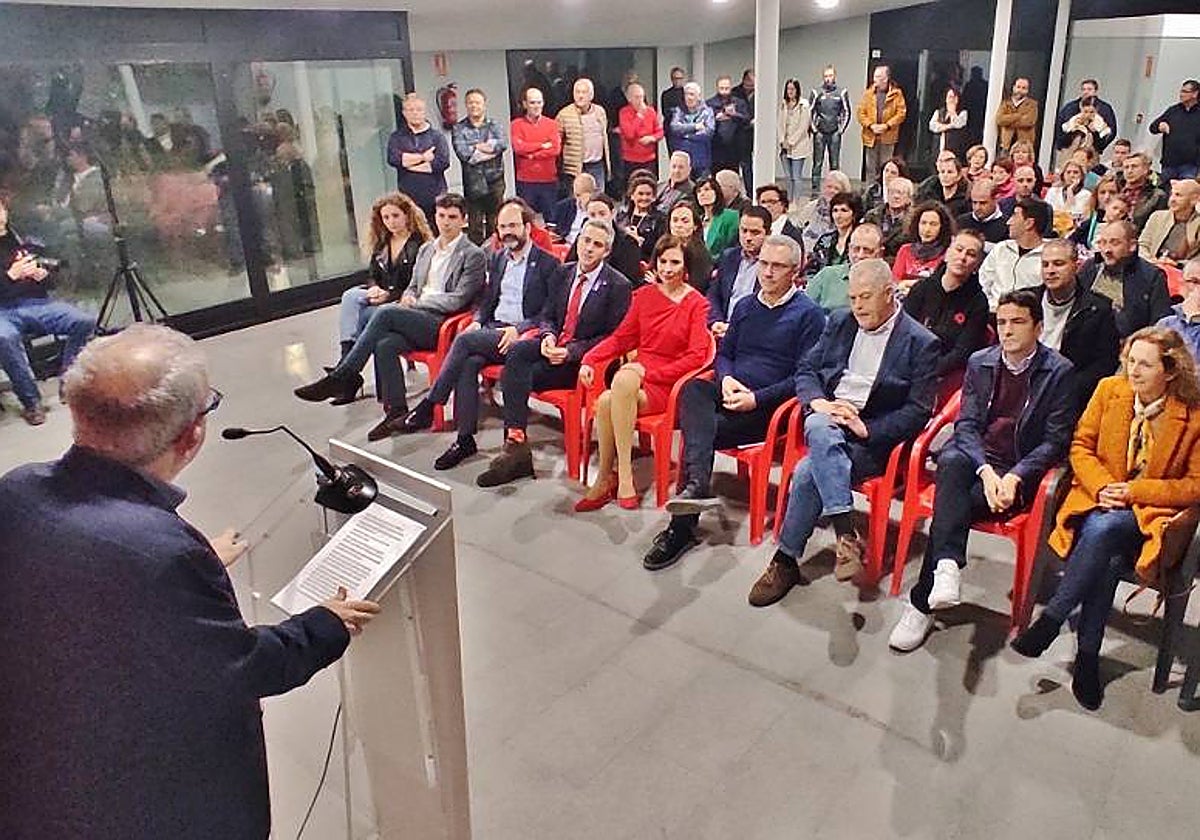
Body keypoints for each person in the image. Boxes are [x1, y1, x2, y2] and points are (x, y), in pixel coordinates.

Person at [0, 324, 380, 838]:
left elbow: (69, 586)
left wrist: (185, 567)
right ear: (191, 435)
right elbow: (242, 668)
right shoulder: (162, 553)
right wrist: (326, 623)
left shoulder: (16, 489)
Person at [1011, 327, 1200, 710]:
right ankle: (1086, 659)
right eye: (1130, 360)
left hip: (1151, 517)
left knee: (1106, 527)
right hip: (1097, 501)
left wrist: (1134, 492)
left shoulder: (1192, 415)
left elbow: (1194, 485)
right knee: (1108, 556)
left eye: (1145, 364)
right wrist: (1102, 488)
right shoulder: (1108, 390)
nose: (1134, 370)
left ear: (1170, 371)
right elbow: (1080, 446)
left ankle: (1053, 618)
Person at [889, 290, 1076, 651]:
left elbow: (1055, 441)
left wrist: (1014, 475)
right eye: (1002, 322)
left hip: (1018, 472)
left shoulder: (1059, 371)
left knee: (950, 504)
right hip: (978, 463)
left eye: (1018, 322)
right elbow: (967, 426)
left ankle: (923, 598)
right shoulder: (981, 361)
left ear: (1038, 327)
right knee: (952, 460)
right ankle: (946, 569)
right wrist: (986, 472)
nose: (1007, 330)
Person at [749, 259, 940, 601]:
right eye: (852, 298)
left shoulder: (920, 342)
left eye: (865, 297)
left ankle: (787, 559)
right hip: (829, 417)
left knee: (807, 470)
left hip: (871, 439)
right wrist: (818, 402)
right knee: (817, 423)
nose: (858, 306)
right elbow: (806, 369)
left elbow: (918, 411)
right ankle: (844, 531)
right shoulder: (840, 321)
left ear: (889, 293)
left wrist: (865, 428)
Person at [642, 235, 827, 570]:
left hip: (768, 409)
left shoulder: (809, 315)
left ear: (795, 271)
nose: (767, 272)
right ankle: (697, 488)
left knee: (700, 432)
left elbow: (803, 378)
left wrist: (756, 399)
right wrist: (726, 378)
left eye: (777, 266)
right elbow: (724, 354)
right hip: (731, 390)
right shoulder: (745, 306)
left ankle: (681, 527)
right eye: (763, 264)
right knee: (693, 390)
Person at [294, 193, 486, 434]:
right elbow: (413, 286)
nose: (445, 222)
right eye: (441, 216)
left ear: (464, 220)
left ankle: (343, 375)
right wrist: (409, 296)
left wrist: (417, 303)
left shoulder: (473, 255)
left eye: (452, 217)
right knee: (385, 343)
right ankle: (396, 412)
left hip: (442, 323)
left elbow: (458, 299)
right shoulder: (427, 249)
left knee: (384, 313)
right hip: (416, 316)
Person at [398, 198, 560, 464]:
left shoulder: (548, 264)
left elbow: (548, 314)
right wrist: (477, 319)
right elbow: (487, 301)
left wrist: (519, 329)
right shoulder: (497, 259)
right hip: (493, 330)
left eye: (513, 226)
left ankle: (430, 404)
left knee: (463, 342)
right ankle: (465, 440)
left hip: (522, 337)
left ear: (528, 228)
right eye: (502, 227)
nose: (507, 232)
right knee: (468, 362)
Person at [475, 219, 633, 487]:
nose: (589, 248)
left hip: (581, 364)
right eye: (585, 241)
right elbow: (547, 315)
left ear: (606, 251)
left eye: (597, 245)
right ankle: (516, 441)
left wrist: (570, 352)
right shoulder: (563, 273)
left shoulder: (618, 285)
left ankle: (515, 451)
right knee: (517, 352)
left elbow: (613, 338)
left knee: (517, 375)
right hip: (554, 345)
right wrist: (548, 335)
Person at [575, 235, 712, 510]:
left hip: (670, 385)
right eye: (662, 261)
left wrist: (647, 373)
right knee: (607, 400)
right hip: (636, 381)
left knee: (623, 378)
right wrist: (589, 359)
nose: (667, 269)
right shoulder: (644, 296)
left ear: (686, 266)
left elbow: (696, 357)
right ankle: (607, 477)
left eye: (675, 262)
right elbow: (621, 339)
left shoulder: (697, 304)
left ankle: (621, 477)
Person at [0, 196, 95, 425]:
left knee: (83, 321)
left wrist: (42, 275)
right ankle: (31, 401)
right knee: (5, 337)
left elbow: (51, 278)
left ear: (5, 211)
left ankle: (68, 382)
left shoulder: (21, 238)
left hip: (36, 303)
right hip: (2, 311)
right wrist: (10, 276)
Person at [333, 192, 431, 391]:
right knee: (350, 296)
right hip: (382, 295)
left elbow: (417, 284)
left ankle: (346, 374)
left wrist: (389, 295)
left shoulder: (419, 245)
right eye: (386, 217)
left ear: (407, 215)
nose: (391, 222)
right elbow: (372, 274)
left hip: (403, 299)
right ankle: (346, 362)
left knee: (366, 315)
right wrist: (374, 288)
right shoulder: (382, 243)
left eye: (395, 216)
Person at [1035, 238, 1120, 412]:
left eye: (1058, 264)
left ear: (1076, 266)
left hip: (1070, 394)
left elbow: (1105, 364)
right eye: (1045, 265)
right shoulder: (1027, 300)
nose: (1050, 271)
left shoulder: (1098, 308)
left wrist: (1067, 387)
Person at [902, 228, 989, 382]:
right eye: (959, 249)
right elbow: (902, 333)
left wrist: (928, 371)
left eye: (971, 254)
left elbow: (961, 353)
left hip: (944, 374)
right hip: (908, 364)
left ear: (977, 264)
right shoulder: (921, 289)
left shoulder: (979, 303)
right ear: (947, 253)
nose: (962, 257)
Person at [1080, 220, 1172, 338]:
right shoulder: (1091, 267)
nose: (1107, 250)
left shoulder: (1153, 276)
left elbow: (1160, 324)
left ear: (1132, 246)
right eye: (1102, 243)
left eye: (1114, 243)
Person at [451, 88, 508, 245]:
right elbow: (465, 154)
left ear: (484, 104)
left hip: (495, 181)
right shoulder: (459, 128)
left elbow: (502, 145)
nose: (474, 105)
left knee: (495, 223)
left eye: (477, 102)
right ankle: (476, 257)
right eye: (470, 102)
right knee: (474, 227)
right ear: (466, 105)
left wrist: (477, 147)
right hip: (473, 184)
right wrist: (490, 149)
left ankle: (495, 254)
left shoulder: (494, 125)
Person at [707, 206, 770, 335]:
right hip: (722, 329)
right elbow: (714, 294)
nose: (748, 237)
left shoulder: (773, 264)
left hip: (753, 332)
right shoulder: (728, 257)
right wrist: (716, 321)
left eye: (755, 232)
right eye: (744, 231)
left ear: (768, 233)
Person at [387, 94, 450, 223]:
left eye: (418, 109)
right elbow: (394, 159)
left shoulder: (437, 137)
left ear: (424, 112)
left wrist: (409, 164)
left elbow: (442, 163)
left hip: (435, 198)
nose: (415, 113)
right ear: (404, 113)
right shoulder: (397, 137)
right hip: (408, 200)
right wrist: (423, 157)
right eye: (411, 110)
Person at [979, 197, 1050, 310]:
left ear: (1029, 223)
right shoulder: (1001, 248)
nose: (1008, 222)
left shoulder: (1049, 256)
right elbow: (983, 283)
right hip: (993, 312)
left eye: (1014, 216)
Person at [565, 193, 643, 284]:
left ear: (612, 213)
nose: (598, 219)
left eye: (602, 214)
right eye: (592, 215)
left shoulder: (628, 242)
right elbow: (569, 268)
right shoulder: (582, 237)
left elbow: (628, 281)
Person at [807, 223, 887, 312]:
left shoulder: (885, 283)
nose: (860, 255)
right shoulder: (827, 276)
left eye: (867, 250)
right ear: (849, 249)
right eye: (856, 249)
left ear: (880, 253)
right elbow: (804, 310)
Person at [511, 88, 562, 222]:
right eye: (532, 103)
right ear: (525, 104)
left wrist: (531, 155)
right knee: (527, 220)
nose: (536, 106)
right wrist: (542, 145)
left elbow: (555, 149)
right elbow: (519, 148)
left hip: (548, 180)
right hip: (526, 182)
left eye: (539, 102)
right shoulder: (516, 125)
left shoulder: (552, 124)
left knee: (552, 221)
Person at [557, 78, 610, 192]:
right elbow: (557, 141)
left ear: (591, 95)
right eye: (577, 92)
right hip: (575, 168)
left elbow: (604, 135)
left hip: (597, 165)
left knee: (598, 198)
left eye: (584, 92)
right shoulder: (564, 114)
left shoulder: (600, 111)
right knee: (576, 199)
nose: (580, 96)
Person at [857, 65, 907, 184]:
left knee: (886, 167)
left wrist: (887, 125)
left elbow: (901, 113)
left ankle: (885, 190)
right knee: (870, 168)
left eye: (878, 76)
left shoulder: (897, 94)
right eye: (874, 76)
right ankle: (870, 190)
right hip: (870, 136)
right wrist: (871, 125)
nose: (874, 79)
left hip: (888, 137)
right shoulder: (868, 93)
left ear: (885, 78)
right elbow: (860, 113)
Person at [892, 201, 955, 296]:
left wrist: (909, 283)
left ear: (942, 227)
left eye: (933, 224)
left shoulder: (948, 254)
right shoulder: (905, 250)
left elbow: (940, 286)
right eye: (923, 223)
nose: (927, 229)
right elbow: (895, 283)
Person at [809, 65, 852, 192]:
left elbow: (847, 112)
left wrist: (841, 130)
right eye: (826, 76)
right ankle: (815, 189)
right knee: (817, 162)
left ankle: (835, 188)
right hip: (820, 132)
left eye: (830, 76)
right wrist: (814, 129)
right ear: (823, 77)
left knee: (834, 163)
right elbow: (809, 111)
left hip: (834, 132)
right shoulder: (816, 92)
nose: (828, 78)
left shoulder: (842, 92)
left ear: (834, 77)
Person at [1139, 178, 1200, 264]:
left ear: (1194, 200)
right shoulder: (1157, 216)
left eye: (1178, 195)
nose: (1172, 199)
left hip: (1181, 269)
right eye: (1172, 194)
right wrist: (1152, 261)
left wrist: (1177, 264)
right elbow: (1143, 245)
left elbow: (1197, 260)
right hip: (1149, 265)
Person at [1149, 79, 1200, 181]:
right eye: (1181, 91)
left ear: (1195, 94)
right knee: (1163, 188)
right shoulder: (1173, 111)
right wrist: (1160, 125)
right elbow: (1152, 127)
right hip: (1169, 164)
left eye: (1185, 92)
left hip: (1191, 166)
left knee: (1185, 190)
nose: (1181, 94)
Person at [799, 169, 853, 259]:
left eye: (836, 188)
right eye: (829, 187)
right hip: (804, 253)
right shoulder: (811, 207)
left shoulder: (848, 211)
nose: (831, 191)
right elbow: (799, 228)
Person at [1055, 79, 1119, 155]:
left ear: (1095, 91)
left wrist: (1099, 147)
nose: (1086, 92)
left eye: (1089, 89)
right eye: (1083, 89)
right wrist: (1061, 146)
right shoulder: (1070, 107)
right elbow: (1059, 126)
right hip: (1069, 147)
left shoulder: (1105, 108)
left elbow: (1111, 130)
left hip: (1092, 150)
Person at [806, 190, 861, 277]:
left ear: (854, 214)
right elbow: (811, 269)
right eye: (835, 210)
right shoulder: (824, 240)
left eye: (844, 210)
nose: (838, 216)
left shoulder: (860, 240)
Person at [669, 82, 715, 181]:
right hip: (682, 159)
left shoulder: (707, 111)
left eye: (692, 94)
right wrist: (695, 127)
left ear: (699, 96)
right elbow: (674, 128)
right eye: (686, 94)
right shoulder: (679, 110)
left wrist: (686, 135)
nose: (689, 97)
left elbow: (709, 132)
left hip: (701, 160)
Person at [618, 82, 664, 181]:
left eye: (642, 97)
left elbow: (660, 132)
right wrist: (639, 116)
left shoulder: (651, 111)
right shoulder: (624, 113)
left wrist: (652, 138)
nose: (641, 101)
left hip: (649, 159)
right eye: (637, 97)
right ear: (629, 99)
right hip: (631, 160)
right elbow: (629, 134)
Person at [1157, 257, 1200, 362]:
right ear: (1182, 284)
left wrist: (1194, 318)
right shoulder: (1166, 324)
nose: (1199, 289)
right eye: (1194, 281)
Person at [666, 200, 714, 293]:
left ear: (695, 226)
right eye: (675, 220)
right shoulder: (663, 247)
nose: (679, 225)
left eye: (685, 221)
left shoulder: (700, 254)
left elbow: (697, 287)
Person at [862, 175, 914, 260]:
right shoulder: (872, 216)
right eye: (892, 192)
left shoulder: (913, 220)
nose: (896, 196)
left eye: (900, 193)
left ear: (909, 198)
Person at [617, 172, 665, 261]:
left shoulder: (660, 219)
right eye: (640, 194)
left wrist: (639, 241)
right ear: (632, 195)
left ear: (654, 197)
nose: (644, 198)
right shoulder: (622, 215)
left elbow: (660, 247)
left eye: (648, 194)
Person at [709, 75, 751, 177]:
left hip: (734, 148)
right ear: (717, 88)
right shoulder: (710, 104)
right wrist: (715, 118)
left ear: (730, 87)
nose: (724, 91)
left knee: (732, 177)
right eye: (721, 88)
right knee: (716, 177)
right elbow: (706, 122)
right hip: (716, 148)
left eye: (726, 88)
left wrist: (735, 114)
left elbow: (747, 119)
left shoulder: (739, 102)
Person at [778, 79, 812, 205]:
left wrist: (791, 142)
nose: (790, 91)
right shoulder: (783, 104)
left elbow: (803, 127)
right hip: (784, 146)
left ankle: (796, 202)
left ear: (797, 90)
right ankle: (789, 199)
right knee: (788, 176)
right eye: (788, 89)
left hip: (798, 146)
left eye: (792, 89)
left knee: (796, 176)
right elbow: (780, 124)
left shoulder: (804, 105)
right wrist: (782, 140)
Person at [1056, 97, 1112, 170]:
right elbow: (1062, 143)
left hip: (1090, 161)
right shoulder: (1072, 122)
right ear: (1081, 109)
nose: (1088, 115)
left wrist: (1094, 132)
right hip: (1070, 158)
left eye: (1091, 112)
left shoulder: (1100, 125)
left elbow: (1100, 146)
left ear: (1096, 111)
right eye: (1085, 112)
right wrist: (1076, 130)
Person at [1071, 173, 1122, 252]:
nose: (1107, 197)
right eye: (1102, 192)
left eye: (1112, 193)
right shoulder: (1090, 221)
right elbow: (1070, 242)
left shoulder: (1125, 222)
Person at [1119, 152, 1168, 232]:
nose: (1129, 171)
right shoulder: (1116, 191)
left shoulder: (1157, 196)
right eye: (1126, 167)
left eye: (1134, 166)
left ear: (1146, 169)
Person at [998, 165, 1054, 235]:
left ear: (1035, 181)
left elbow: (1046, 235)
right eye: (1020, 181)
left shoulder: (1045, 208)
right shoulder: (1002, 205)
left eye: (1029, 180)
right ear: (1014, 182)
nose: (1025, 184)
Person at [695, 175, 740, 259]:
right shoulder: (697, 220)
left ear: (717, 192)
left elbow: (733, 246)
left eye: (707, 189)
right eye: (699, 191)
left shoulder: (730, 216)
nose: (702, 194)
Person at [1044, 159, 1093, 235]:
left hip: (1074, 233)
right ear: (1063, 175)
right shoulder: (1052, 191)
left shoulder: (1086, 195)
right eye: (1068, 172)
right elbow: (1046, 213)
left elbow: (1074, 215)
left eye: (1075, 172)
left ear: (1081, 176)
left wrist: (1070, 191)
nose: (1072, 175)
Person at [548, 172, 596, 247]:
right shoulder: (563, 206)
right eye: (577, 195)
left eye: (583, 195)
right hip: (564, 244)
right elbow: (551, 229)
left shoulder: (598, 209)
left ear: (593, 193)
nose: (580, 199)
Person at [957, 177, 1008, 246]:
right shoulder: (961, 222)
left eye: (983, 203)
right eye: (974, 202)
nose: (977, 208)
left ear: (996, 199)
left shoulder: (1007, 226)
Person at [916, 152, 971, 217]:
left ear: (959, 175)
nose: (945, 175)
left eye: (950, 172)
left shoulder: (966, 197)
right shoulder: (928, 192)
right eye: (942, 172)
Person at [995, 77, 1038, 156]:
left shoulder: (1032, 104)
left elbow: (1029, 121)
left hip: (1024, 146)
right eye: (1018, 87)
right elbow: (1000, 120)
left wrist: (1008, 122)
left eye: (1023, 88)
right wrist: (1018, 115)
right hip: (1006, 145)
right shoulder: (1006, 103)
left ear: (1027, 90)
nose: (1020, 90)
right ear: (1014, 88)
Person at [928, 86, 969, 159]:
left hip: (954, 149)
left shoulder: (963, 113)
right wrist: (949, 126)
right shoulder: (938, 112)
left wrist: (953, 112)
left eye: (954, 97)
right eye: (950, 97)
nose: (952, 99)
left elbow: (958, 124)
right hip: (938, 148)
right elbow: (933, 126)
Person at [655, 150, 695, 214]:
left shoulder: (692, 191)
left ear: (689, 170)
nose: (677, 171)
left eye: (681, 167)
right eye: (674, 167)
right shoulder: (659, 186)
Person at [660, 67, 687, 153]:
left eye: (680, 78)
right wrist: (678, 110)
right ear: (671, 79)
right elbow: (665, 112)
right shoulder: (666, 94)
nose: (678, 81)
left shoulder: (687, 93)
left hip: (686, 129)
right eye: (675, 78)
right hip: (671, 131)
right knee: (673, 155)